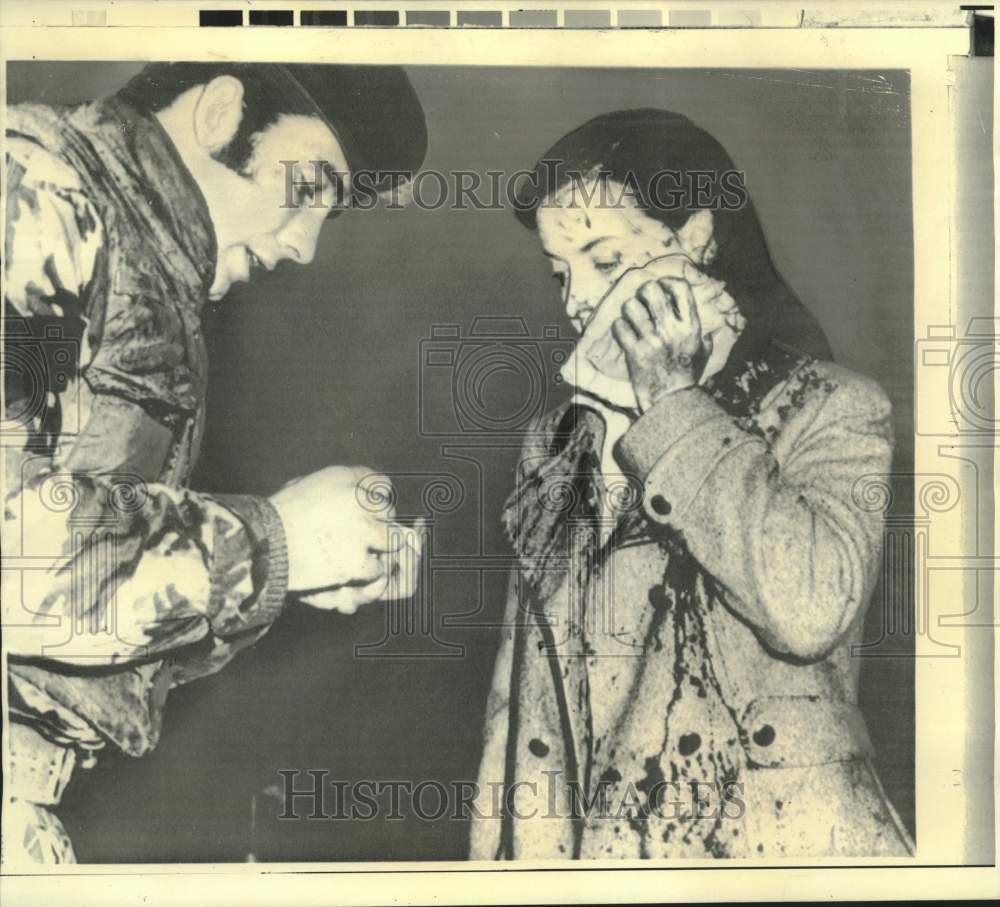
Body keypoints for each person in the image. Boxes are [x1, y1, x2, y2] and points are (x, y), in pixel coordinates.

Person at [2, 62, 427, 864]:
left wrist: (279, 575)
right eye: (309, 187)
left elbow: (76, 636)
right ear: (223, 111)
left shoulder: (146, 268)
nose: (304, 245)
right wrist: (271, 541)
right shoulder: (37, 193)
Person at [470, 109, 914, 859]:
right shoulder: (554, 441)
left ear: (698, 237)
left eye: (605, 261)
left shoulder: (834, 407)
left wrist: (672, 404)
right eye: (561, 272)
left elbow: (808, 608)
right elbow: (522, 709)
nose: (577, 300)